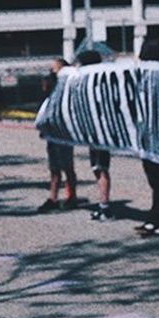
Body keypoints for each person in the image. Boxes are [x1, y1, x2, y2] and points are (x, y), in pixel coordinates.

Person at [133, 39, 159, 236]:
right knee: (153, 178)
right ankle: (155, 216)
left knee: (158, 178)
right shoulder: (146, 76)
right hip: (146, 133)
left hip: (158, 134)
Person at [75, 50, 115, 220]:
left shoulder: (98, 82)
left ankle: (105, 206)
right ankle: (102, 203)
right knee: (97, 168)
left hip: (101, 132)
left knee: (101, 168)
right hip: (94, 132)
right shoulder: (96, 81)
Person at [37, 58, 78, 212]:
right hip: (53, 131)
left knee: (67, 166)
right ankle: (53, 197)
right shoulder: (52, 84)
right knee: (54, 167)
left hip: (65, 131)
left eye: (54, 69)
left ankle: (71, 196)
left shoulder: (70, 83)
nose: (52, 72)